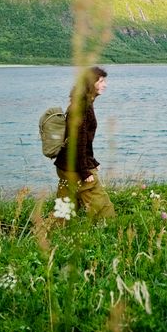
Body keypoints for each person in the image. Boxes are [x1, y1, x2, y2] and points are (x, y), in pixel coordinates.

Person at [54, 66, 116, 220]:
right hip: (76, 168)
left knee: (65, 208)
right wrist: (85, 170)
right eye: (101, 81)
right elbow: (78, 141)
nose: (105, 84)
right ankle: (110, 231)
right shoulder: (83, 107)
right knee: (101, 206)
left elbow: (83, 140)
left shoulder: (80, 102)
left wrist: (92, 160)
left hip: (64, 165)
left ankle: (54, 235)